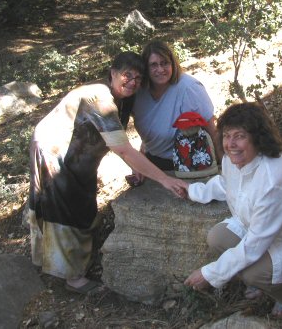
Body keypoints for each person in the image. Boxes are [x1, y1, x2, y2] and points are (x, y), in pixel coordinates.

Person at [26, 51, 187, 295]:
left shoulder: (123, 98)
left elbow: (121, 140)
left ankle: (73, 264)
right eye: (127, 75)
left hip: (80, 155)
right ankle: (72, 277)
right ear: (113, 73)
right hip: (55, 150)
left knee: (84, 200)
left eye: (138, 78)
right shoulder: (99, 98)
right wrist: (164, 179)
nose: (132, 82)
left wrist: (137, 166)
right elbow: (122, 148)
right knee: (65, 206)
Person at [183, 102, 282, 316]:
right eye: (227, 135)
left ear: (257, 136)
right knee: (218, 238)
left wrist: (209, 274)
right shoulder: (234, 159)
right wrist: (192, 191)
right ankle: (269, 278)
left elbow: (254, 245)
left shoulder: (276, 178)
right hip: (268, 230)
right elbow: (227, 183)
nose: (231, 144)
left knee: (252, 273)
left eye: (240, 136)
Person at [131, 40, 222, 180]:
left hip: (191, 166)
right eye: (153, 65)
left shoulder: (189, 88)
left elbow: (212, 130)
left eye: (164, 63)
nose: (160, 69)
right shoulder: (138, 92)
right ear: (145, 68)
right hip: (154, 163)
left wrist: (226, 167)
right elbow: (150, 133)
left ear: (173, 63)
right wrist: (140, 163)